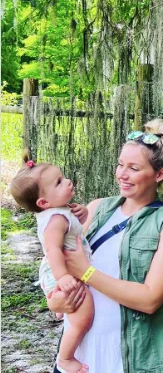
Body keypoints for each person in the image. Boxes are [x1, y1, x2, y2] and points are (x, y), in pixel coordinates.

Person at [47, 118, 163, 373]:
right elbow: (57, 266)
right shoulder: (97, 208)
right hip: (80, 355)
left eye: (134, 168)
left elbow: (150, 299)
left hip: (130, 360)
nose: (122, 174)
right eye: (121, 164)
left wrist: (86, 272)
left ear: (159, 174)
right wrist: (55, 303)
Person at [10, 156, 94, 373]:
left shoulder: (61, 211)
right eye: (58, 182)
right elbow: (54, 250)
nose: (67, 181)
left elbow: (75, 231)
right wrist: (64, 277)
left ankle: (62, 309)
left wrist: (83, 214)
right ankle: (65, 359)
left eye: (63, 177)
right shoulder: (56, 219)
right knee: (83, 317)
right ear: (44, 203)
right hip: (61, 270)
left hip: (65, 269)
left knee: (76, 309)